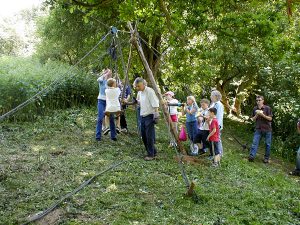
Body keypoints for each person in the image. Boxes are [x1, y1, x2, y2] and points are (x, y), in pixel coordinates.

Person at [134, 77, 160, 161]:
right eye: (136, 86)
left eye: (139, 86)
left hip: (150, 115)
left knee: (149, 136)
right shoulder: (140, 92)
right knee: (144, 136)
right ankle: (154, 152)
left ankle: (151, 155)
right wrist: (136, 102)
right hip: (143, 116)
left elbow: (155, 103)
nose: (137, 88)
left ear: (143, 84)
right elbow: (141, 102)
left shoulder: (150, 91)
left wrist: (156, 114)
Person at [248, 95, 273, 163]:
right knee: (254, 143)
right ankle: (251, 156)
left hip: (267, 129)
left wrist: (262, 115)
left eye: (259, 100)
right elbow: (252, 119)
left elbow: (270, 119)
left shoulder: (267, 108)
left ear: (263, 101)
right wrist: (257, 114)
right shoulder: (255, 108)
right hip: (258, 128)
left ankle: (266, 158)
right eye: (257, 100)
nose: (258, 102)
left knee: (268, 144)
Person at [95, 69, 112, 141]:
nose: (109, 74)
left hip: (108, 101)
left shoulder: (110, 82)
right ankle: (98, 136)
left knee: (111, 117)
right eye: (108, 73)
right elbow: (98, 79)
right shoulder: (101, 80)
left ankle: (113, 136)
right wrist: (105, 74)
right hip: (101, 101)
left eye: (110, 73)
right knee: (100, 118)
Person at [211, 90, 224, 157]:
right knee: (214, 140)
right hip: (212, 124)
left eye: (212, 95)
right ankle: (215, 153)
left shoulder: (219, 105)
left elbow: (219, 116)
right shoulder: (214, 104)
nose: (210, 97)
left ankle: (220, 154)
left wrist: (216, 125)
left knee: (217, 140)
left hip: (216, 125)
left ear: (215, 96)